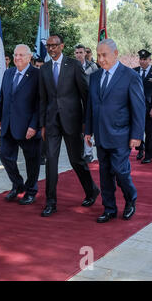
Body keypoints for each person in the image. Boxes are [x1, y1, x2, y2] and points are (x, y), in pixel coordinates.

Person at [85, 39, 145, 223]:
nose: (100, 59)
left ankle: (130, 200)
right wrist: (88, 130)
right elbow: (91, 106)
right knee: (105, 173)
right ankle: (109, 208)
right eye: (98, 55)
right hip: (101, 135)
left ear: (116, 53)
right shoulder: (95, 77)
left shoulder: (130, 76)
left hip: (121, 135)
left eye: (104, 55)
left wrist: (137, 135)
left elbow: (138, 108)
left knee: (120, 171)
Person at [39, 34, 100, 217]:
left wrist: (86, 123)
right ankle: (50, 202)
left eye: (54, 46)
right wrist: (42, 124)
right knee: (51, 160)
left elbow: (85, 95)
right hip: (51, 123)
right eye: (48, 46)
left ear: (62, 46)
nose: (51, 49)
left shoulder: (74, 65)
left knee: (76, 160)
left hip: (72, 121)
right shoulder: (44, 69)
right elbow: (42, 99)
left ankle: (91, 190)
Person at [0, 44, 41, 205]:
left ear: (29, 57)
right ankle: (18, 185)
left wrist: (34, 126)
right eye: (15, 55)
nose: (17, 58)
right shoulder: (8, 73)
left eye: (21, 55)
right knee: (5, 156)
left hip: (28, 127)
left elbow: (40, 103)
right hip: (8, 125)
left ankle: (31, 191)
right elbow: (2, 97)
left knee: (32, 161)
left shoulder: (37, 75)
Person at [133, 49, 152, 164]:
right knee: (137, 130)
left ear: (150, 60)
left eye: (145, 59)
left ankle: (149, 155)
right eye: (140, 59)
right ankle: (140, 149)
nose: (142, 61)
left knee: (150, 132)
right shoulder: (133, 72)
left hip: (150, 108)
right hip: (136, 107)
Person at [74, 44, 98, 163]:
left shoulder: (92, 66)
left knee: (87, 127)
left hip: (89, 101)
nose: (78, 55)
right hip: (75, 102)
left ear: (85, 53)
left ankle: (88, 153)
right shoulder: (70, 66)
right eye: (77, 53)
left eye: (80, 52)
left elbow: (97, 83)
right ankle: (79, 152)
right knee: (77, 129)